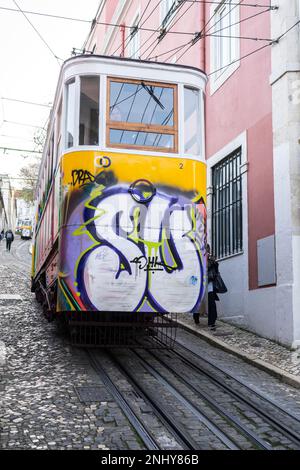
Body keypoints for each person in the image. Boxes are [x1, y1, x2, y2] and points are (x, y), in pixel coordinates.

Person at [207, 244, 227, 331]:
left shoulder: (212, 261)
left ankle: (212, 322)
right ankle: (196, 317)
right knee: (201, 305)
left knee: (212, 305)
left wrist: (214, 263)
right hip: (201, 287)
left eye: (208, 249)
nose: (207, 251)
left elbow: (216, 272)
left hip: (210, 285)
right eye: (206, 249)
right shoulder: (199, 259)